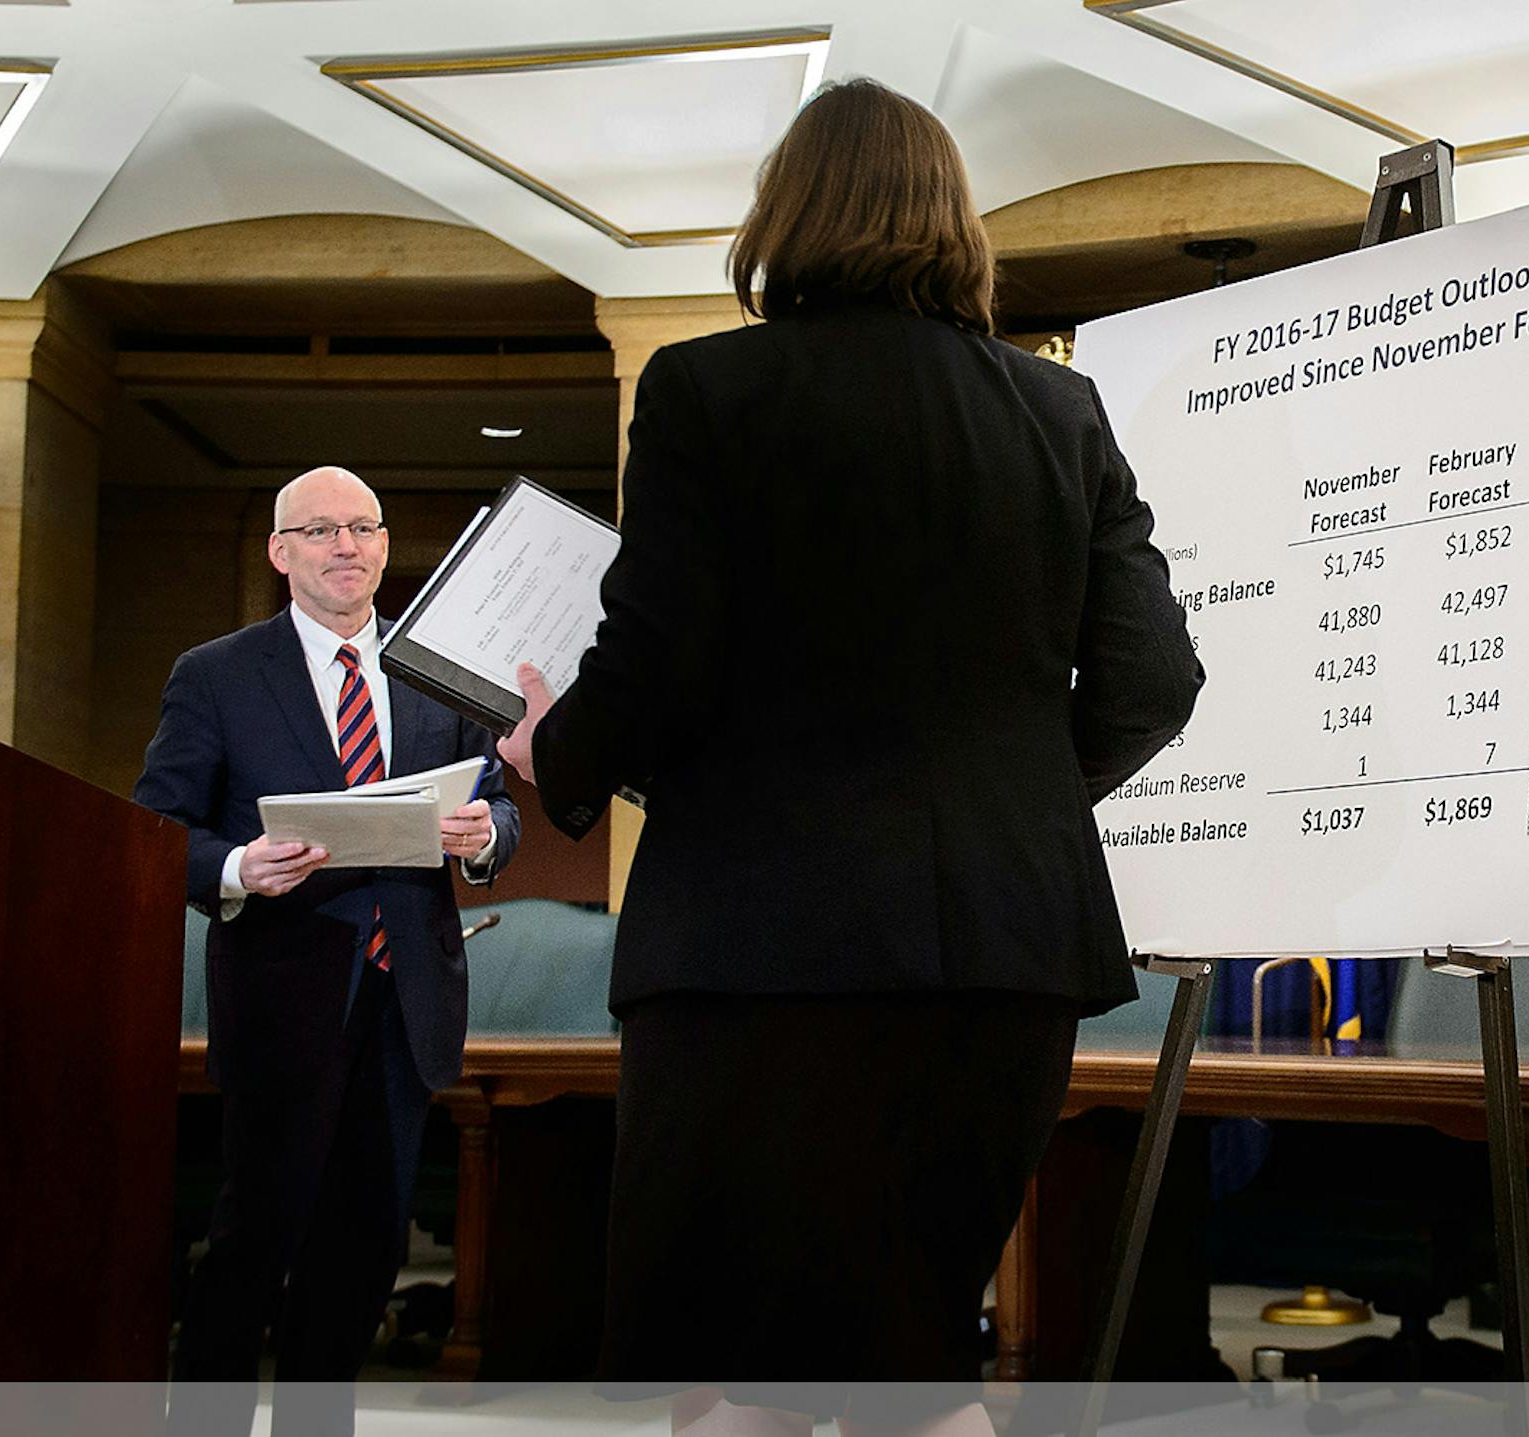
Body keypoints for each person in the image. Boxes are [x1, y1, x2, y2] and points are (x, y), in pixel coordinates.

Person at [496, 79, 1201, 1433]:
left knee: (754, 1360)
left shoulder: (709, 387)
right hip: (998, 958)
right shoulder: (1063, 417)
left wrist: (556, 752)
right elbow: (1155, 679)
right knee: (905, 1351)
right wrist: (1018, 801)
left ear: (786, 217)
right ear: (956, 226)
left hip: (758, 959)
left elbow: (653, 665)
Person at [137, 465, 520, 1433]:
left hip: (406, 1003)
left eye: (363, 528)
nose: (346, 547)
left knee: (362, 1253)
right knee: (253, 1242)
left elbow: (502, 806)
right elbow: (156, 831)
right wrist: (237, 869)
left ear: (387, 545)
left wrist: (486, 839)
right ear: (281, 553)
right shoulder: (217, 674)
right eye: (320, 532)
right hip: (282, 1000)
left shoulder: (439, 669)